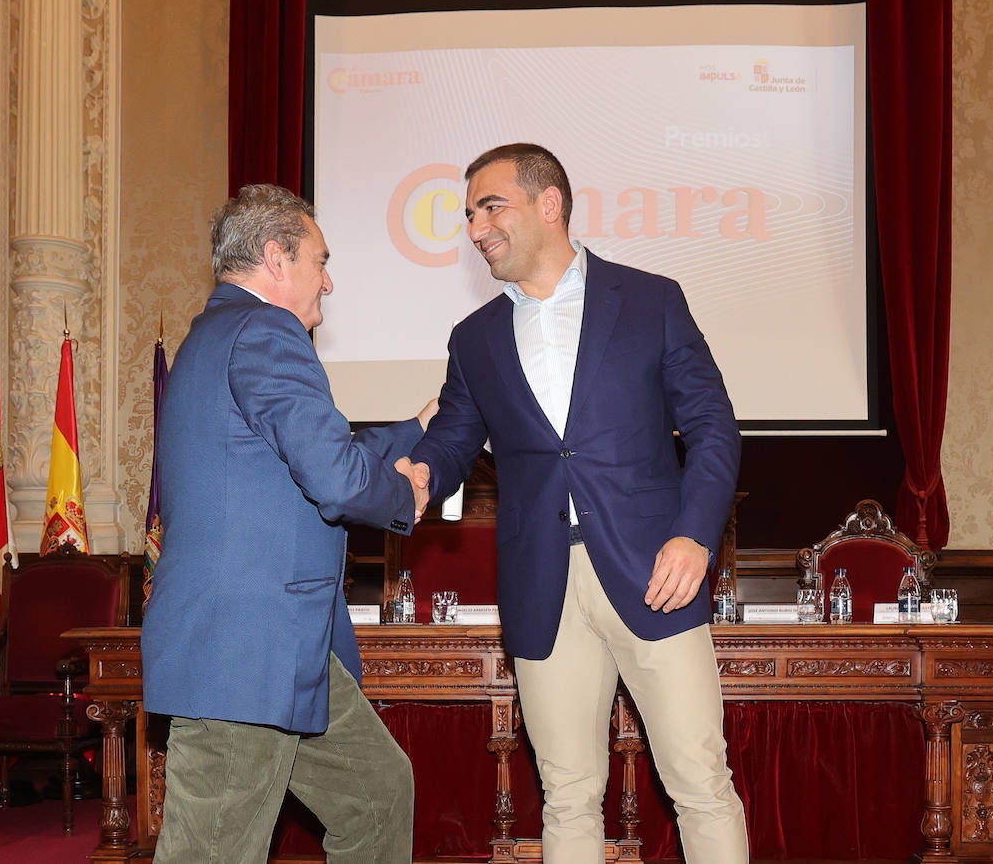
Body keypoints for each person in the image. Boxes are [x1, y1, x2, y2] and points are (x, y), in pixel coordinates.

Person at [409, 144, 749, 863]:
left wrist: (694, 536)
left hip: (658, 573)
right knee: (567, 795)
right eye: (469, 214)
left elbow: (714, 426)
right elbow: (451, 443)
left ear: (549, 204)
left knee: (700, 784)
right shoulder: (474, 340)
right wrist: (409, 478)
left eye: (489, 206)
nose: (475, 227)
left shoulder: (651, 300)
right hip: (541, 585)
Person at [142, 183, 432, 864]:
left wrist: (416, 431)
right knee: (210, 852)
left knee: (377, 792)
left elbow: (294, 462)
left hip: (284, 651)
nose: (327, 282)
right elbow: (332, 477)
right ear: (276, 258)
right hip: (244, 651)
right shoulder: (266, 331)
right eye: (319, 261)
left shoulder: (221, 334)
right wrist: (402, 497)